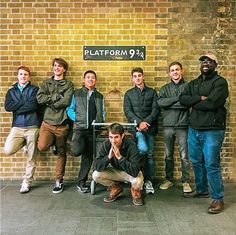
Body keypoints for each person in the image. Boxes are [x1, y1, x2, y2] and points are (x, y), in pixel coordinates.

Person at [179, 53, 229, 214]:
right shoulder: (194, 83)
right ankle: (201, 190)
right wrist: (201, 98)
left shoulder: (220, 82)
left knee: (211, 164)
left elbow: (214, 103)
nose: (205, 63)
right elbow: (183, 99)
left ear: (215, 64)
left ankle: (218, 198)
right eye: (203, 61)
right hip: (194, 128)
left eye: (209, 61)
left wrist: (196, 101)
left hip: (213, 130)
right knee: (196, 161)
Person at [36, 58, 74, 194]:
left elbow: (67, 101)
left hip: (62, 124)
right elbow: (40, 99)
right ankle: (51, 143)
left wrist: (51, 102)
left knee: (61, 153)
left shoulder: (68, 84)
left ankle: (59, 180)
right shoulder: (46, 83)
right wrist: (55, 97)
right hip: (47, 123)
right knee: (42, 146)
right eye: (55, 66)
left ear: (64, 69)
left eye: (60, 66)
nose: (57, 68)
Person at [4, 66, 41, 193]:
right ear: (17, 76)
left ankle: (26, 182)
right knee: (8, 149)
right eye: (21, 74)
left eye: (25, 74)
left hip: (32, 127)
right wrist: (24, 104)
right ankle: (23, 142)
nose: (23, 76)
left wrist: (17, 106)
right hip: (17, 127)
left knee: (31, 157)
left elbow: (33, 105)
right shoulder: (11, 91)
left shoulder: (34, 89)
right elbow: (8, 107)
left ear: (28, 77)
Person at [66, 70, 104, 193]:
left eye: (93, 78)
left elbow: (102, 111)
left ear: (95, 80)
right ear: (84, 80)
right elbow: (70, 109)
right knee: (77, 151)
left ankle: (81, 183)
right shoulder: (76, 93)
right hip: (79, 129)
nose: (90, 80)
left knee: (88, 157)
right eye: (88, 77)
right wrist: (77, 119)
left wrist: (100, 122)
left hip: (93, 130)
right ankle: (65, 147)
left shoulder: (99, 96)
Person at [124, 67, 160, 194]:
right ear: (132, 78)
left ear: (143, 77)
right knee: (138, 154)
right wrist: (139, 123)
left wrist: (146, 122)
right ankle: (137, 180)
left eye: (139, 75)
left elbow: (156, 110)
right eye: (135, 76)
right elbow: (128, 111)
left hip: (150, 129)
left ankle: (148, 181)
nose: (138, 78)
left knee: (149, 155)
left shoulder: (152, 92)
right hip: (136, 130)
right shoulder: (128, 94)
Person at [157, 62, 192, 193]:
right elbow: (160, 102)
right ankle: (169, 179)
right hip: (168, 126)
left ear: (181, 71)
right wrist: (178, 99)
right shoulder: (165, 88)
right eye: (172, 70)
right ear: (169, 73)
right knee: (168, 155)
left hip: (183, 126)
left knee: (184, 155)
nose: (175, 72)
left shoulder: (188, 87)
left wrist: (170, 103)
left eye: (177, 69)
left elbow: (187, 104)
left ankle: (186, 181)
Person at [92, 123, 144, 206]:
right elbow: (96, 166)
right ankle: (116, 187)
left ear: (122, 136)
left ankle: (135, 190)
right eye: (111, 137)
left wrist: (120, 157)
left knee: (137, 181)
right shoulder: (106, 145)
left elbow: (134, 171)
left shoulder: (131, 146)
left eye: (116, 137)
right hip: (116, 172)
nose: (113, 140)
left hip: (130, 173)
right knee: (96, 175)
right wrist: (108, 157)